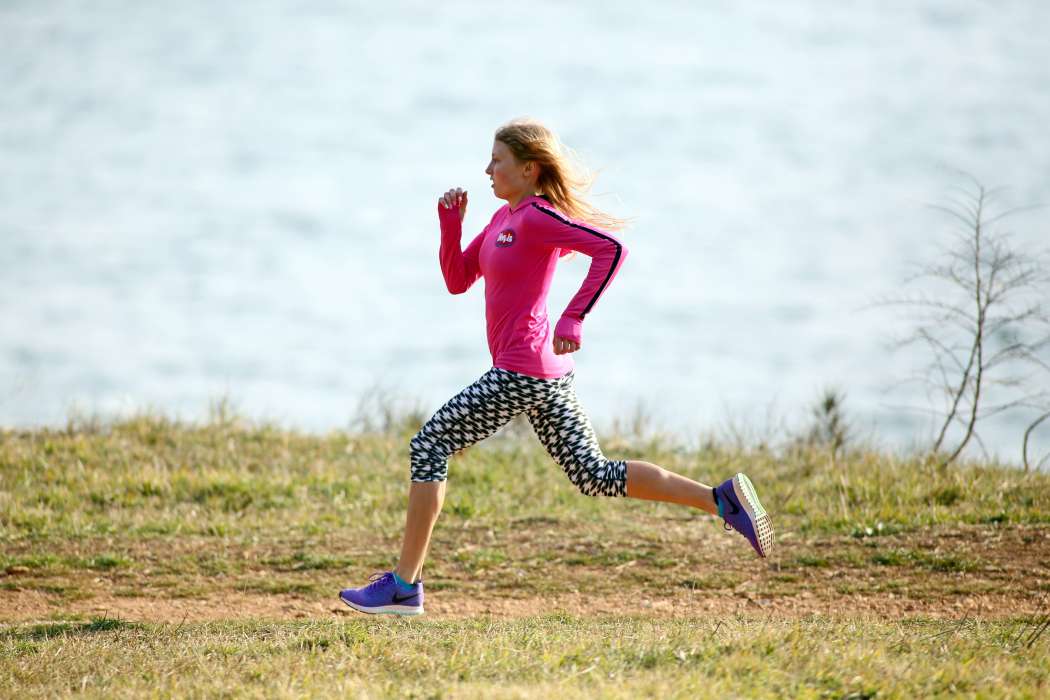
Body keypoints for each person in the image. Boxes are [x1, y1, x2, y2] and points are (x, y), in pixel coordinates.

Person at [339, 119, 774, 616]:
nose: (487, 169)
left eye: (497, 160)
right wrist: (449, 223)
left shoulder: (538, 217)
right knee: (595, 475)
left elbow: (611, 251)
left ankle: (403, 586)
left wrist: (574, 316)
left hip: (522, 371)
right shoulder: (502, 221)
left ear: (528, 168)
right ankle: (722, 501)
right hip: (540, 375)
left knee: (430, 444)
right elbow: (459, 279)